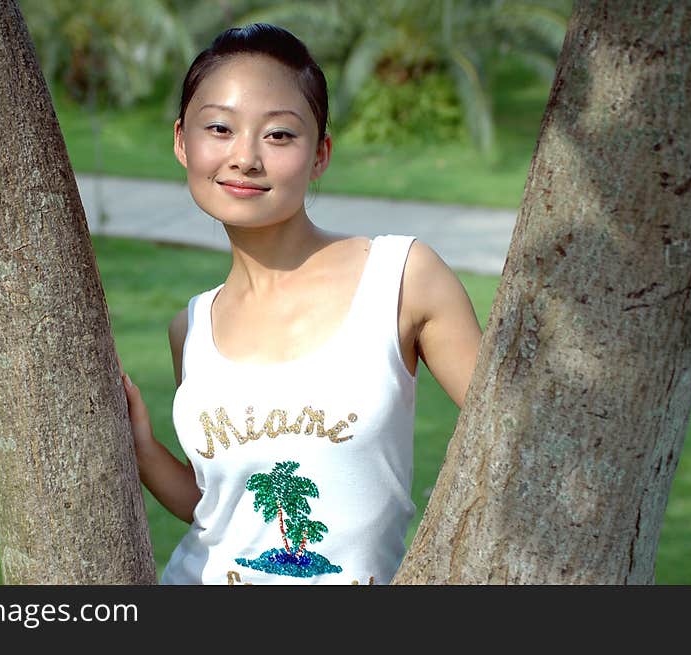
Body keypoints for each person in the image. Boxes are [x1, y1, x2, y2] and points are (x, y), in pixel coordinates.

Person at [118, 23, 482, 585]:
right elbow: (219, 506)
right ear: (181, 142)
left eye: (280, 136)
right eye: (219, 128)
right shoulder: (190, 327)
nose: (245, 158)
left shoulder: (402, 278)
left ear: (320, 155)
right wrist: (143, 451)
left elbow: (513, 438)